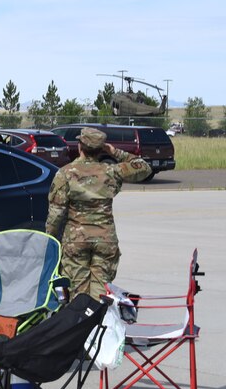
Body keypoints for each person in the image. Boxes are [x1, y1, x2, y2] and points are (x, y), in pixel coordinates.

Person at [46, 127, 151, 299]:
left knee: (78, 294)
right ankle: (100, 323)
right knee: (101, 294)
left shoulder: (65, 174)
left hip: (76, 240)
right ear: (101, 149)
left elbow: (56, 213)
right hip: (105, 239)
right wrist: (115, 151)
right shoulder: (111, 171)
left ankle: (81, 322)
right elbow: (143, 168)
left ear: (80, 146)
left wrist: (50, 239)